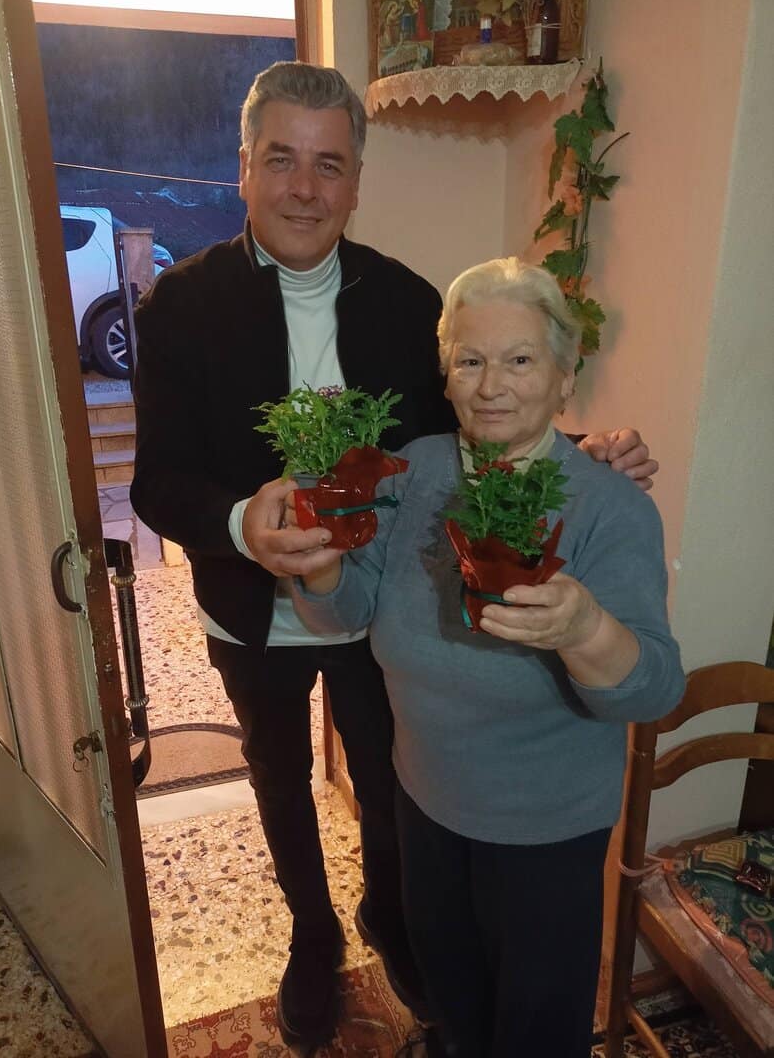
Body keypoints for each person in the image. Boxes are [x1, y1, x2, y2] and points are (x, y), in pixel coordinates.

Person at [130, 61, 659, 1051]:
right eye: (281, 159)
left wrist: (578, 453)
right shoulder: (177, 307)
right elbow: (155, 481)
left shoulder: (408, 301)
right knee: (280, 777)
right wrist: (244, 524)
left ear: (357, 182)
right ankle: (313, 936)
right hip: (249, 606)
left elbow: (471, 423)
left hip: (372, 603)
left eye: (328, 165)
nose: (304, 187)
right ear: (243, 168)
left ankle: (398, 920)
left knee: (391, 777)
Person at [287, 258, 685, 1058]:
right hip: (423, 805)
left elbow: (654, 690)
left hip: (545, 834)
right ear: (446, 376)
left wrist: (583, 629)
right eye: (470, 360)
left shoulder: (608, 507)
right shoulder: (416, 471)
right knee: (453, 1000)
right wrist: (320, 566)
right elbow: (347, 610)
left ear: (565, 379)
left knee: (536, 1032)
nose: (491, 384)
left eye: (520, 359)